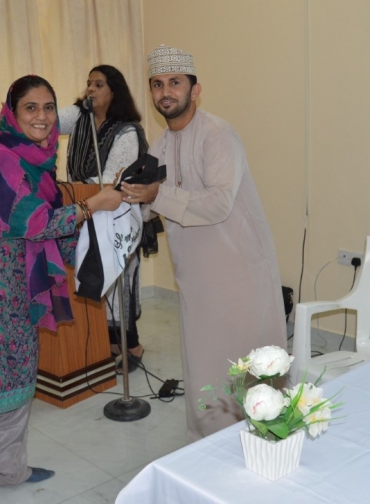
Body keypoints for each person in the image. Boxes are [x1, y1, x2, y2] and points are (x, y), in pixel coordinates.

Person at [0, 75, 122, 504]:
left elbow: (56, 230)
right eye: (31, 107)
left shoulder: (40, 164)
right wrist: (94, 204)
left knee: (17, 384)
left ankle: (9, 471)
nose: (42, 117)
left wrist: (105, 235)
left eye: (49, 107)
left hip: (20, 290)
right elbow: (32, 220)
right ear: (12, 112)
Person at [121, 45, 288, 441]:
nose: (166, 92)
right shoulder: (161, 145)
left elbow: (217, 204)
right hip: (196, 277)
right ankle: (211, 446)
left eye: (175, 83)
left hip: (238, 273)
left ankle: (265, 444)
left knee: (249, 366)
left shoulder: (218, 134)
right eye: (157, 84)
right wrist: (126, 198)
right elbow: (152, 204)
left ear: (195, 90)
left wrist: (155, 196)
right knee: (205, 365)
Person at [59, 65, 149, 373]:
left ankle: (133, 345)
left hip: (118, 215)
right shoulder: (80, 116)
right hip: (85, 210)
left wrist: (72, 190)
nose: (91, 89)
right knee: (97, 279)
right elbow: (48, 120)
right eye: (89, 83)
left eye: (98, 84)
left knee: (119, 281)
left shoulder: (127, 130)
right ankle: (110, 344)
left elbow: (112, 179)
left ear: (114, 90)